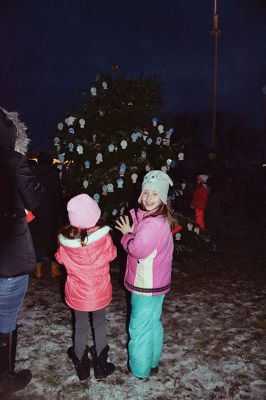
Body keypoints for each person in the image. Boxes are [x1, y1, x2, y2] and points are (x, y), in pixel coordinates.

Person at [115, 170, 176, 379]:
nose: (149, 198)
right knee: (152, 323)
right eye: (146, 193)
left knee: (139, 327)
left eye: (155, 194)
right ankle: (152, 361)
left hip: (146, 284)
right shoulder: (156, 219)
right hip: (157, 284)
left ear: (163, 198)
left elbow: (137, 248)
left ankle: (140, 370)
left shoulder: (152, 224)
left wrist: (126, 235)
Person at [0, 107, 43, 396]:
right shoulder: (13, 161)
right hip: (8, 258)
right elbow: (35, 198)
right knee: (5, 317)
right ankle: (4, 378)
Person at [55, 194, 117, 381]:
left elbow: (59, 259)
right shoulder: (104, 239)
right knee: (99, 325)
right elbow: (112, 254)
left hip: (77, 294)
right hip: (99, 292)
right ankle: (100, 366)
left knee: (80, 326)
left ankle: (81, 366)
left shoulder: (66, 241)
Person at [29, 151, 63, 279]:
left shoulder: (32, 174)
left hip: (36, 212)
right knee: (53, 241)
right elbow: (58, 195)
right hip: (51, 212)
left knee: (36, 241)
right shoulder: (54, 175)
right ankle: (54, 270)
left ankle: (38, 270)